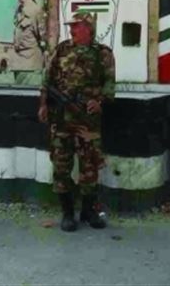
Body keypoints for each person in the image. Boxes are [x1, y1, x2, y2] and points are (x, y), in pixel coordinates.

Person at [38, 12, 116, 232]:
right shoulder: (62, 49)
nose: (72, 30)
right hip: (61, 120)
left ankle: (88, 212)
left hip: (87, 121)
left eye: (76, 26)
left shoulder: (103, 53)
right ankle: (67, 213)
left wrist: (99, 101)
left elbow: (110, 83)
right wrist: (43, 105)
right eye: (71, 26)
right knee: (61, 166)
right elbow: (46, 80)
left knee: (90, 167)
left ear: (88, 28)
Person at [12, 0, 45, 68]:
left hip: (31, 59)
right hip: (18, 58)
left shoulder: (36, 10)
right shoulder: (18, 11)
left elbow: (42, 36)